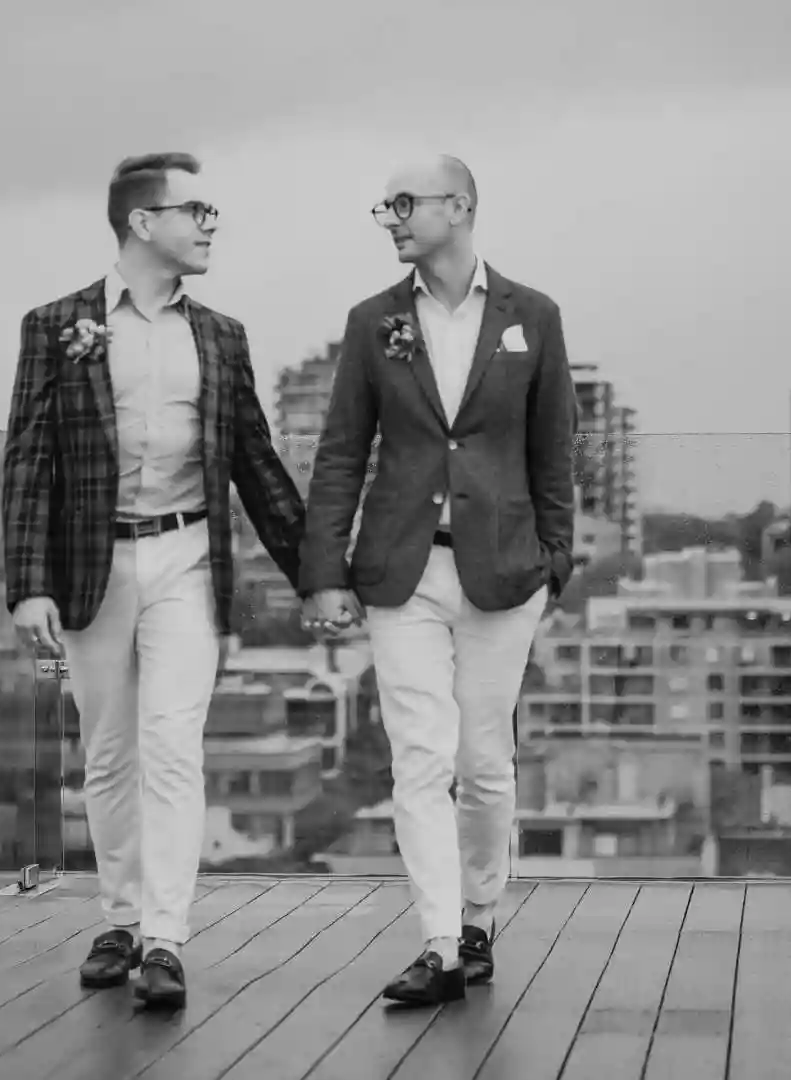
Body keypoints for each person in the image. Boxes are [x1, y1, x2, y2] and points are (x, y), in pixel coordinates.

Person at [1, 152, 306, 1010]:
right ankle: (120, 920)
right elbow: (27, 457)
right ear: (142, 222)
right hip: (92, 565)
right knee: (107, 752)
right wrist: (28, 583)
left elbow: (255, 462)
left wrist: (316, 575)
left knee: (171, 745)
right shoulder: (53, 325)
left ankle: (165, 939)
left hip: (187, 557)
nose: (211, 224)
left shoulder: (221, 334)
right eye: (195, 209)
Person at [298, 155, 578, 1005]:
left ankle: (479, 915)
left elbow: (552, 450)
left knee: (485, 763)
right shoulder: (372, 321)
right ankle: (438, 941)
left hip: (503, 571)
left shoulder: (534, 315)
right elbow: (342, 449)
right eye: (384, 205)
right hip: (401, 570)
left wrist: (554, 565)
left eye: (404, 203)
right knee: (420, 759)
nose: (388, 217)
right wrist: (322, 571)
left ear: (458, 207)